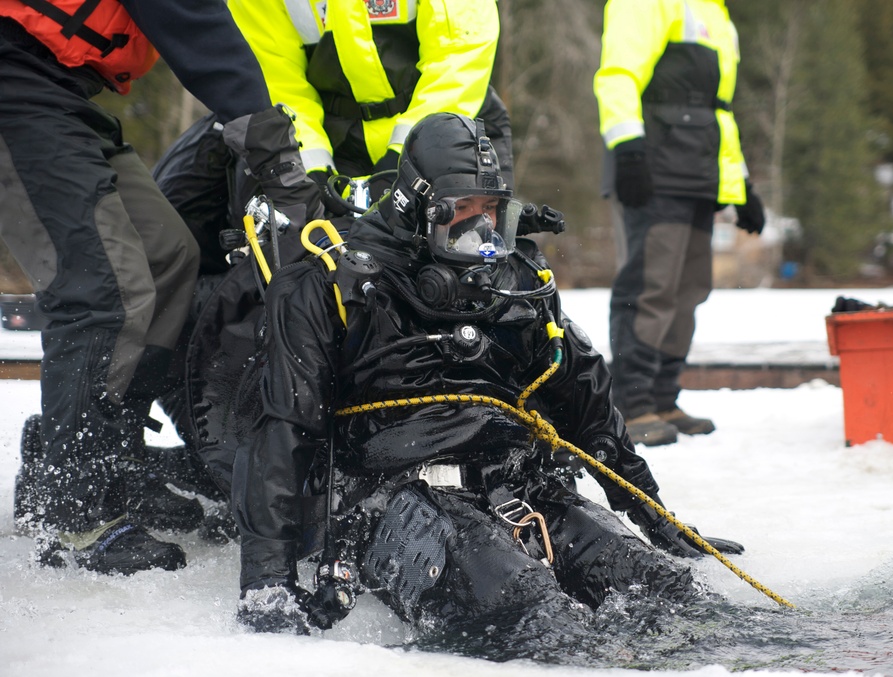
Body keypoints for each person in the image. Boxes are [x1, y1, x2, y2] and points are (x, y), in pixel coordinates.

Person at [222, 112, 743, 636]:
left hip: (521, 486)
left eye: (488, 210)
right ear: (416, 204)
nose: (478, 229)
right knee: (539, 621)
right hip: (395, 501)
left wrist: (655, 517)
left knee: (671, 597)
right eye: (461, 211)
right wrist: (267, 578)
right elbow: (283, 428)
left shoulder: (515, 282)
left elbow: (585, 392)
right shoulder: (328, 286)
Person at [1, 0, 324, 575]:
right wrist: (267, 137)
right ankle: (73, 509)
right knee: (103, 291)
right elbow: (191, 20)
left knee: (167, 258)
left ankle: (110, 462)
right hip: (14, 78)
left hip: (65, 90)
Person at [593, 0, 766, 446]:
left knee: (688, 290)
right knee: (652, 285)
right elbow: (618, 76)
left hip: (699, 173)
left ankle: (664, 397)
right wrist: (627, 147)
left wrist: (742, 183)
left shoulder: (716, 14)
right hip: (654, 168)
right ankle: (632, 405)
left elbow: (717, 112)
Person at [226, 0, 514, 207]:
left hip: (448, 129)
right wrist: (310, 170)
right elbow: (276, 78)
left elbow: (459, 56)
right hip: (333, 140)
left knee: (466, 259)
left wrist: (407, 155)